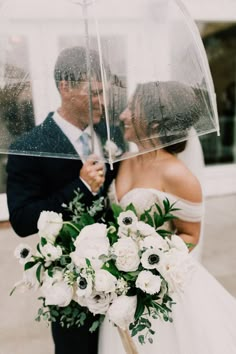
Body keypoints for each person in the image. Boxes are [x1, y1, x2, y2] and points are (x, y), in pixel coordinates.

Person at [98, 81, 236, 354]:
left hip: (161, 291)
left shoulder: (178, 175)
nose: (123, 115)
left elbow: (191, 236)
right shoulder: (124, 159)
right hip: (120, 289)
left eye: (131, 109)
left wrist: (149, 264)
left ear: (154, 125)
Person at [6, 46, 122, 354]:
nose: (102, 101)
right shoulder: (29, 147)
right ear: (65, 87)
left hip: (122, 273)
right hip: (70, 284)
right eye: (94, 92)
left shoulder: (113, 136)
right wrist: (81, 185)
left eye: (105, 92)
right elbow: (21, 219)